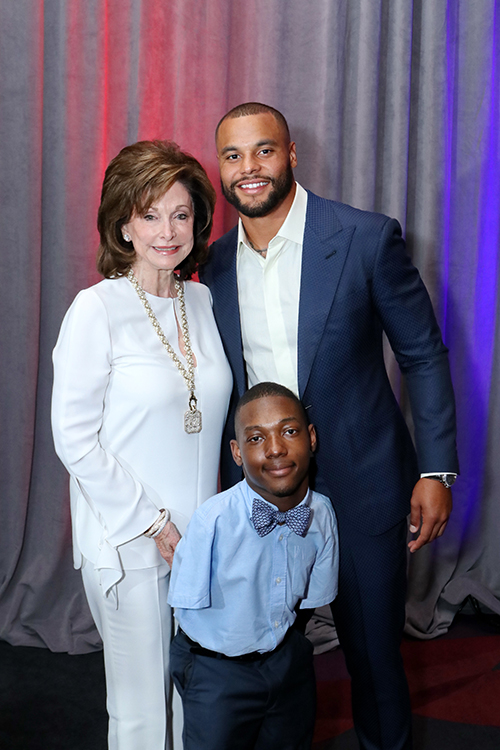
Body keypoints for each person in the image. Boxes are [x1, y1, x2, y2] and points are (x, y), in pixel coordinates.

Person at [200, 103, 459, 750]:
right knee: (269, 660)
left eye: (263, 151)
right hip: (257, 492)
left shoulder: (365, 238)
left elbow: (423, 353)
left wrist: (435, 469)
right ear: (221, 169)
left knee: (372, 655)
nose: (249, 168)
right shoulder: (211, 266)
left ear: (291, 153)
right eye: (233, 156)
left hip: (364, 481)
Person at [51, 140, 233, 750]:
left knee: (194, 699)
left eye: (180, 214)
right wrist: (154, 524)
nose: (167, 231)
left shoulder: (203, 300)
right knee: (140, 715)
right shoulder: (95, 309)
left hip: (201, 541)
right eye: (150, 214)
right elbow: (73, 438)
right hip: (129, 540)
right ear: (123, 223)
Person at [168, 382, 339, 750]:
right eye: (257, 438)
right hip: (217, 670)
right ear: (237, 452)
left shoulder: (322, 514)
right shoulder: (212, 520)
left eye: (289, 431)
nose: (276, 448)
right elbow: (185, 607)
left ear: (311, 437)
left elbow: (311, 601)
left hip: (286, 661)